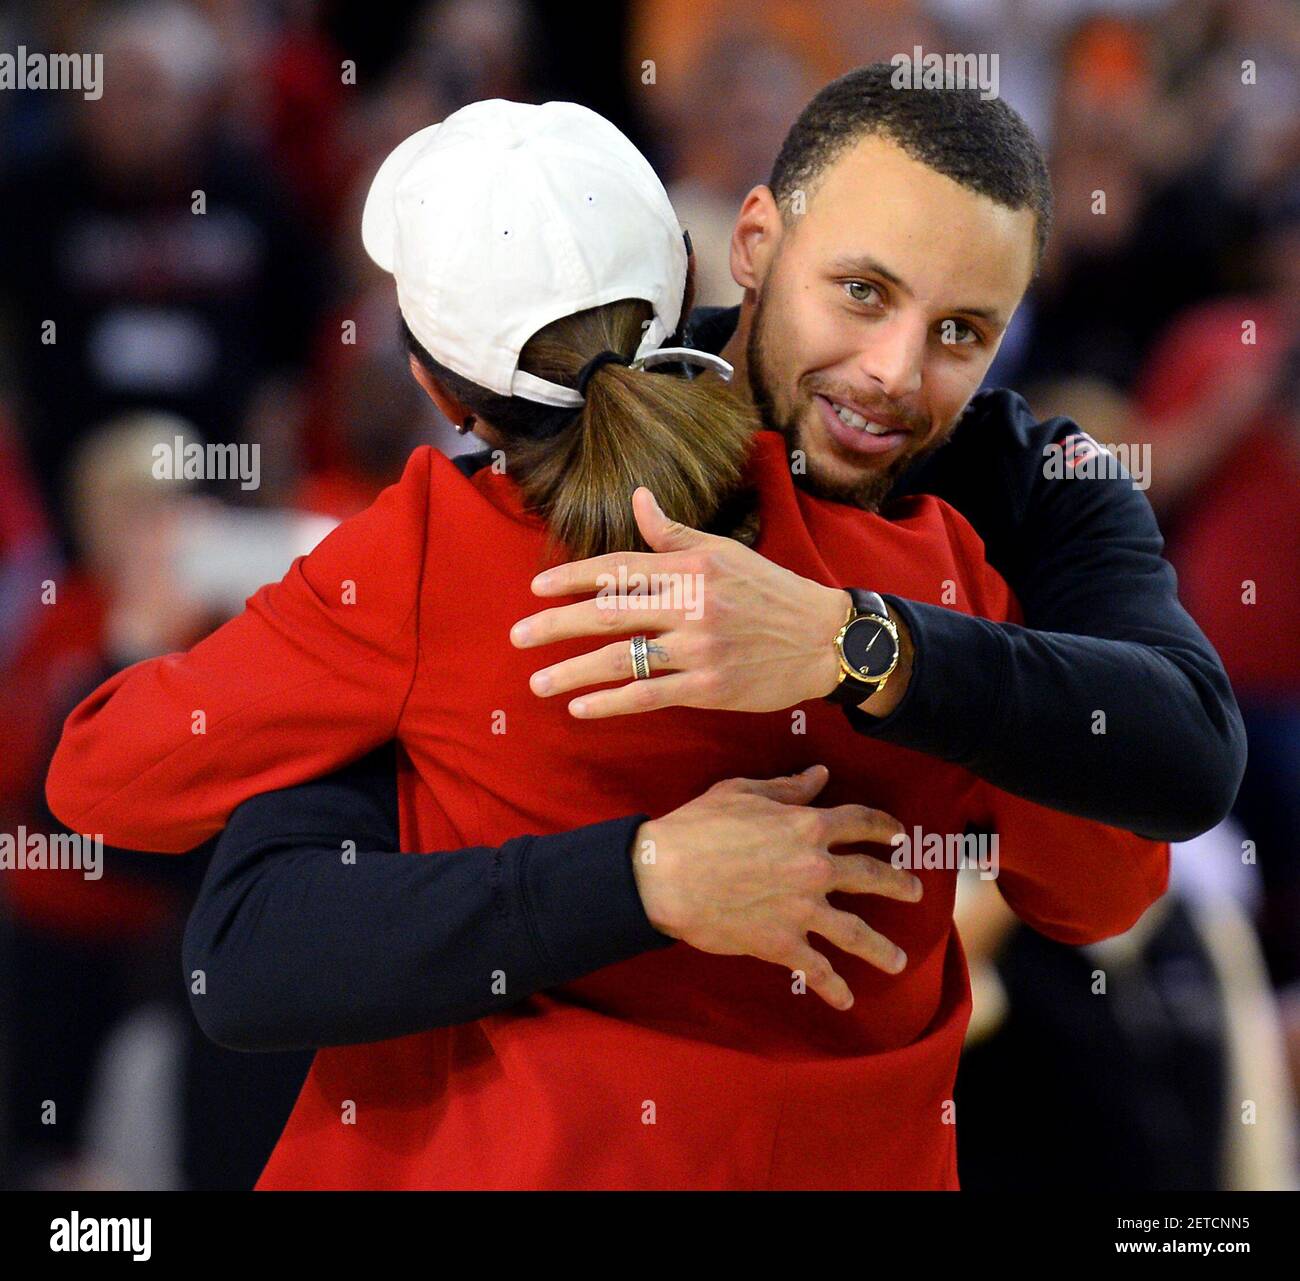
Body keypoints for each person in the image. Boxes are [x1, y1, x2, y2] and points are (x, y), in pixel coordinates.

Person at [47, 96, 1167, 1190]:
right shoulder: (949, 574)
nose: (892, 366)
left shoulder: (424, 557)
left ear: (437, 387)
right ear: (701, 277)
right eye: (865, 294)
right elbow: (1104, 883)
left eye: (956, 331)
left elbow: (102, 777)